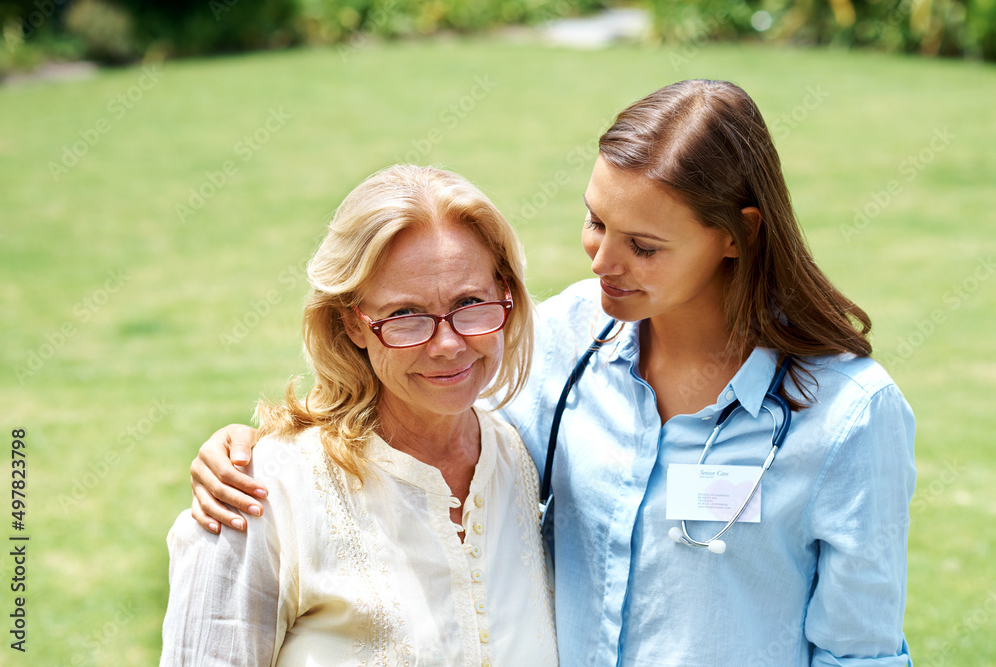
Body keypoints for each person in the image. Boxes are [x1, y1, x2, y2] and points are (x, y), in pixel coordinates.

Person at [188, 80, 917, 665]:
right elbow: (413, 361)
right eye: (595, 221)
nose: (601, 262)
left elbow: (862, 651)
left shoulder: (848, 416)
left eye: (644, 245)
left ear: (738, 235)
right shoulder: (567, 340)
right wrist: (252, 445)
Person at [161, 165, 557, 666]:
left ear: (506, 293)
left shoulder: (525, 457)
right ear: (353, 322)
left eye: (470, 302)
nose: (449, 344)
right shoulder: (256, 494)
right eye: (405, 315)